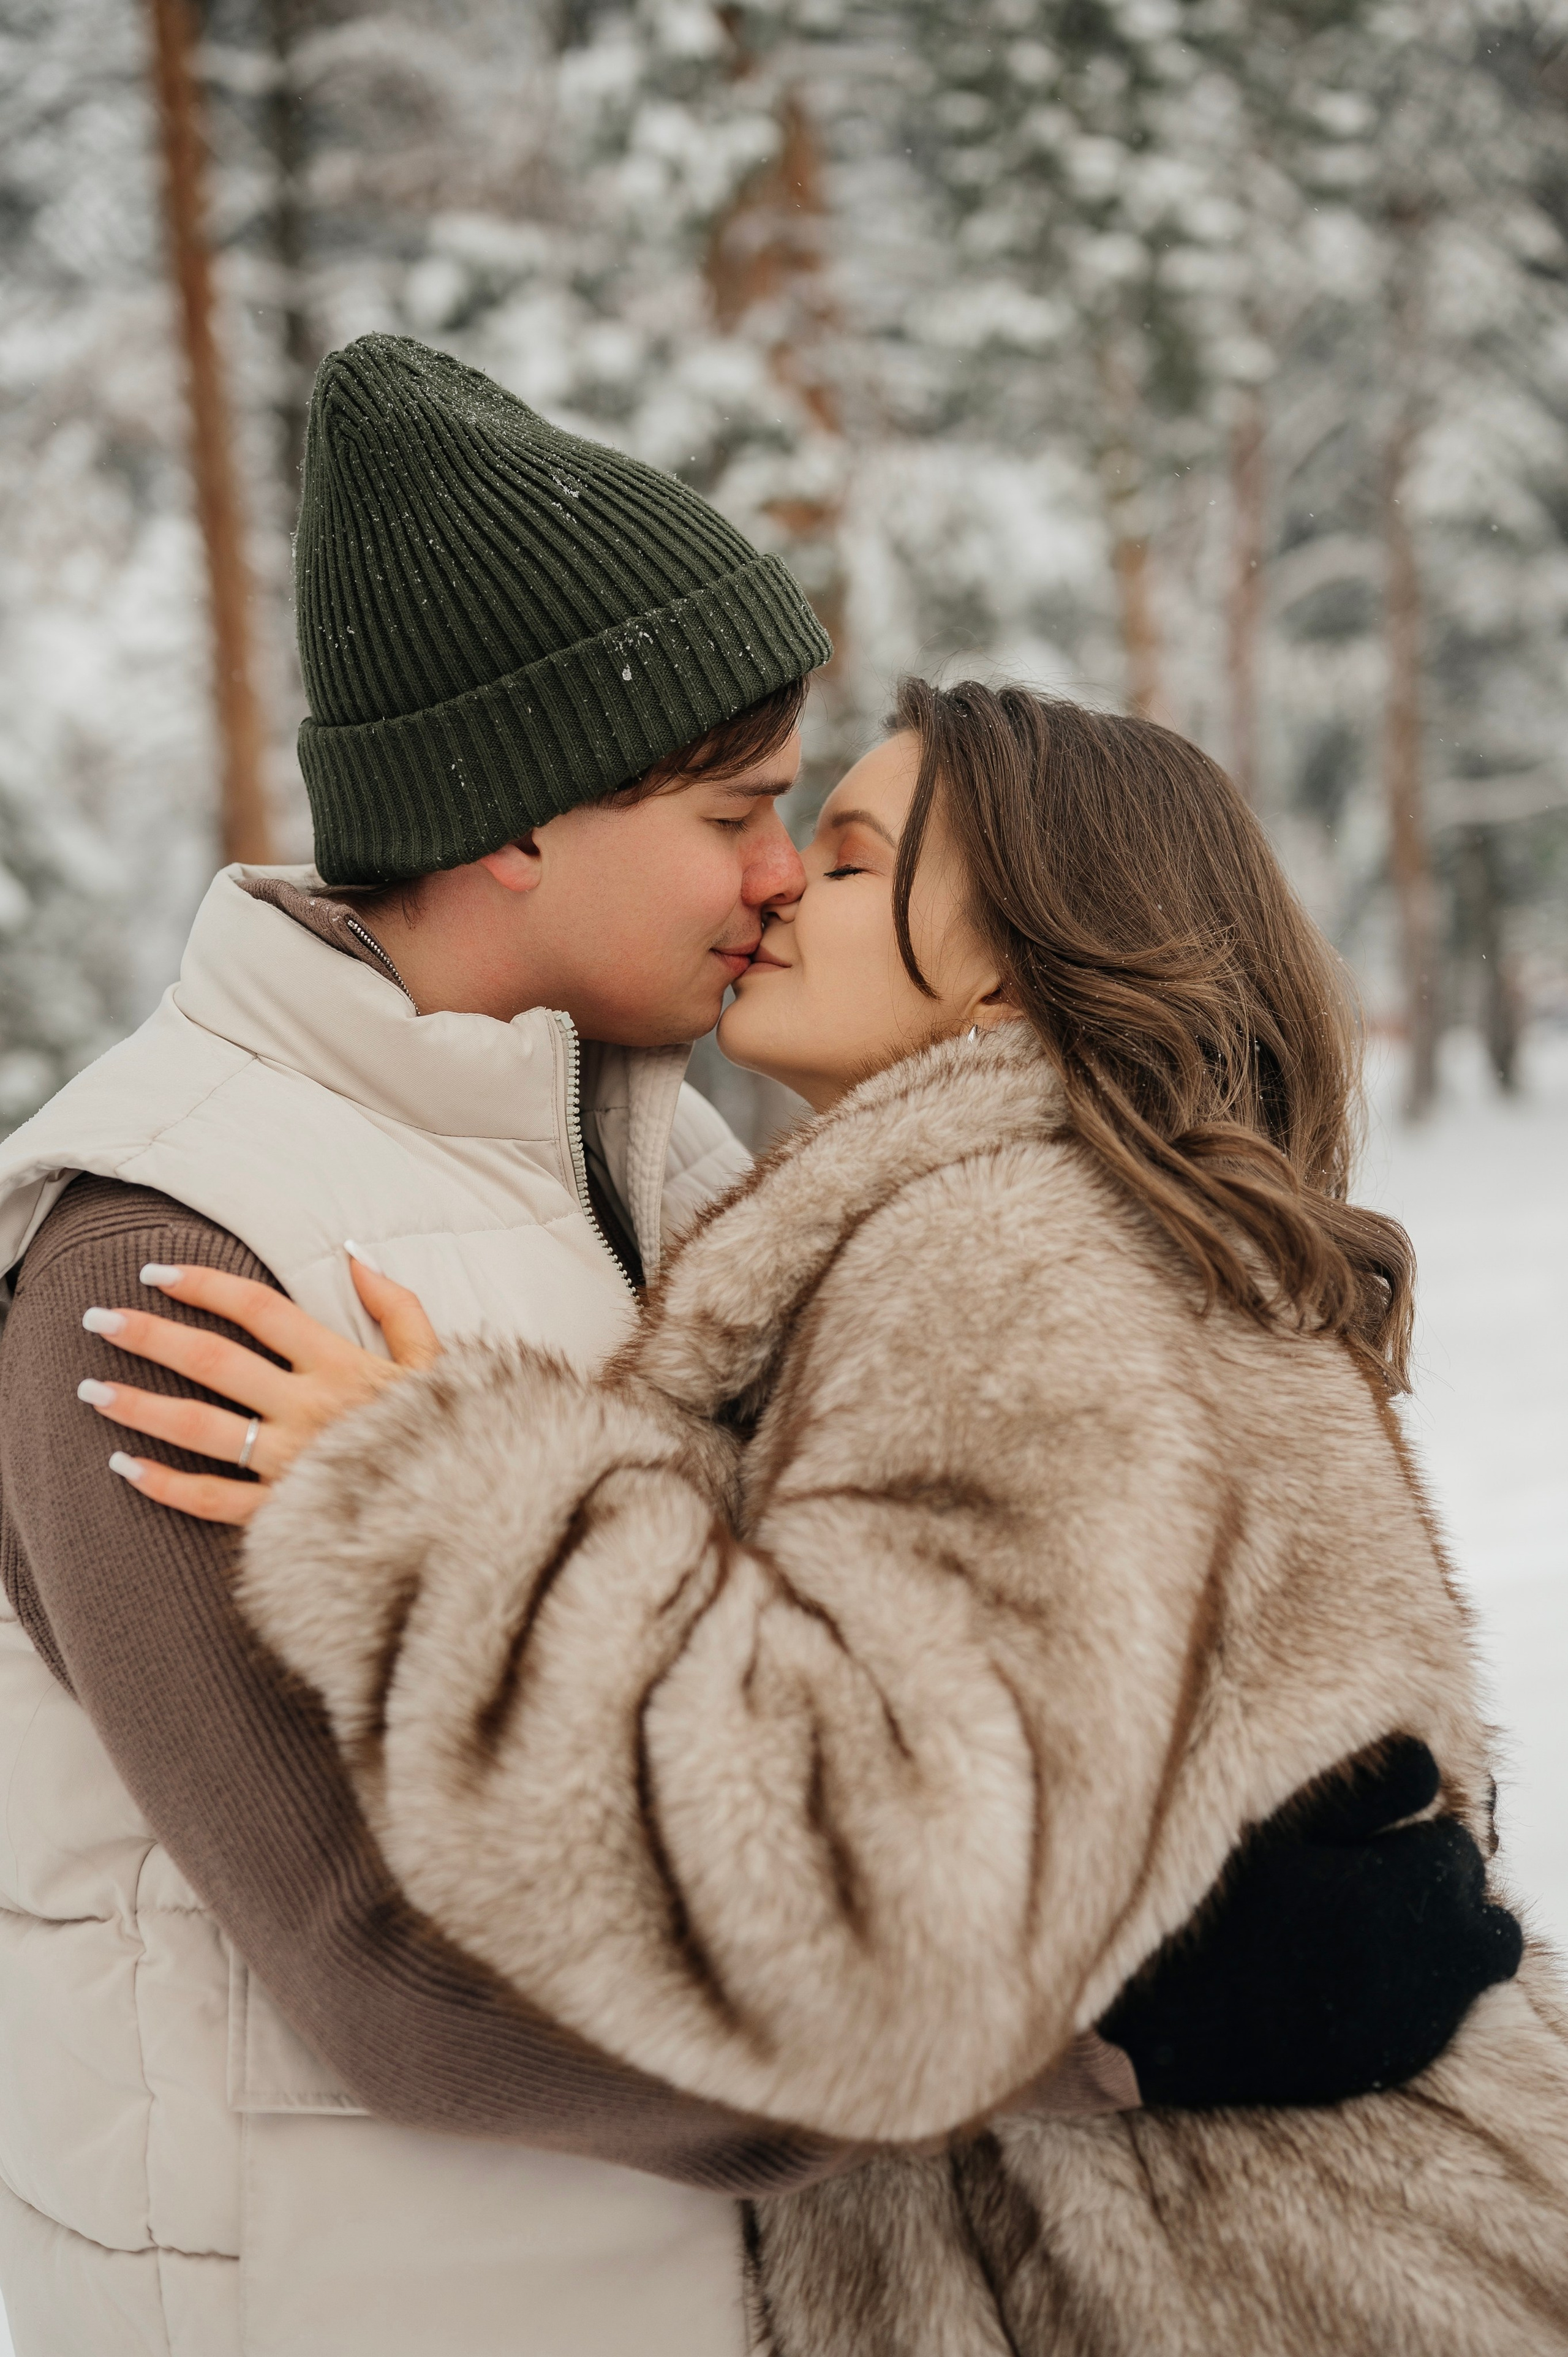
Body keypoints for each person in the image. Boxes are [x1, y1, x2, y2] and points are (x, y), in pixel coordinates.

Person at [90, 679, 1561, 2353]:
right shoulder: (1039, 1226)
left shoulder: (1011, 1253)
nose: (782, 883)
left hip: (1238, 2289)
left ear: (1013, 961)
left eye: (848, 860)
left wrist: (452, 1502)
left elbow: (868, 1920)